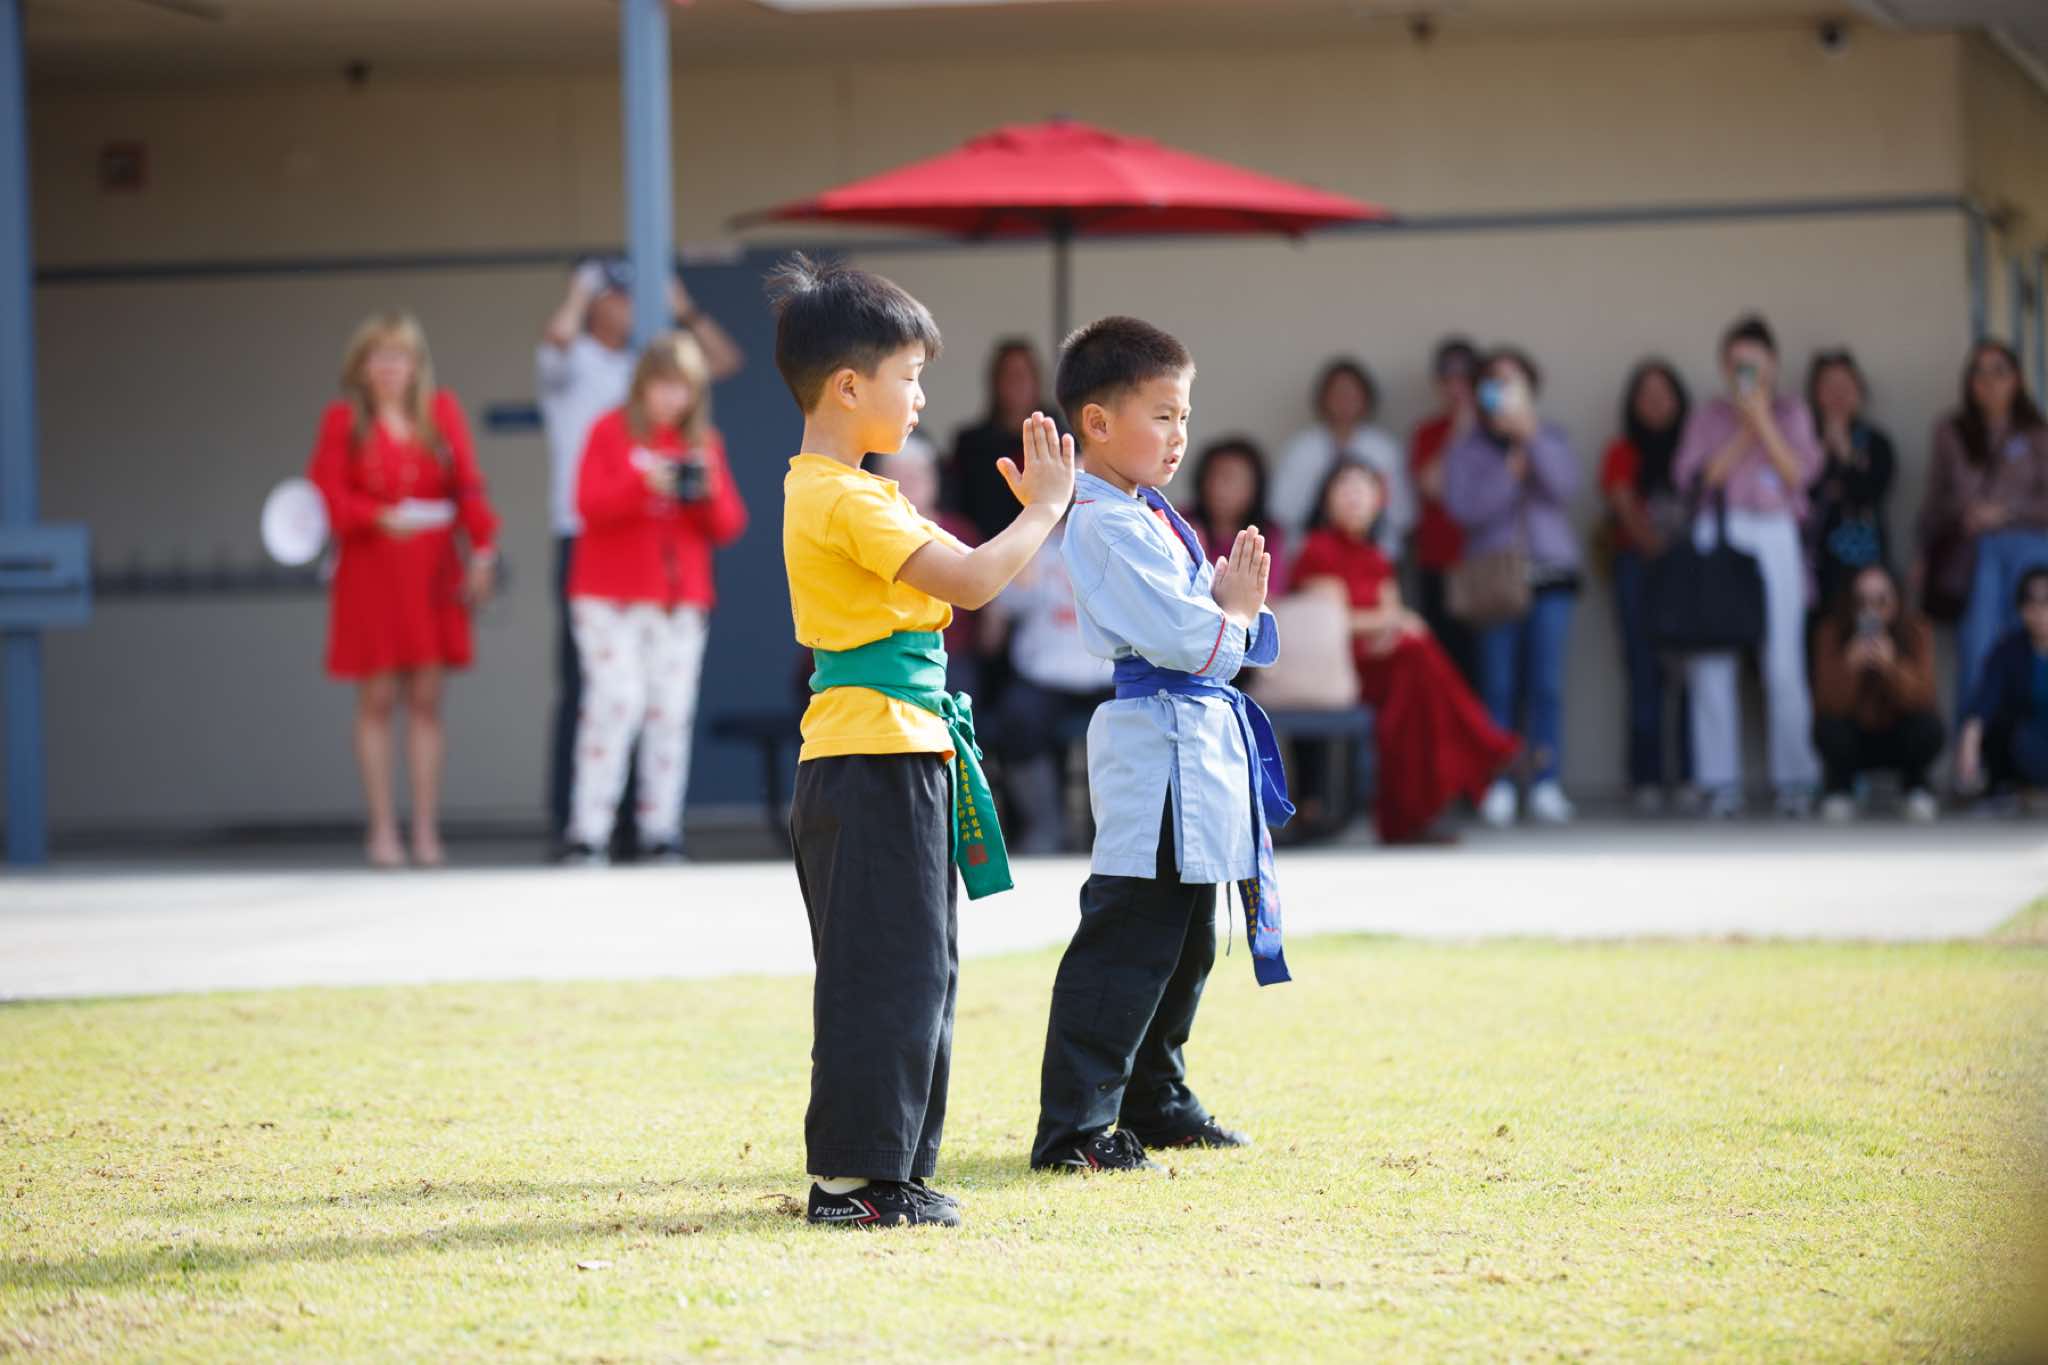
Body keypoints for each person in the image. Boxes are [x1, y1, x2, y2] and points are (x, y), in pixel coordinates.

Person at [769, 254, 1073, 1229]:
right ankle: (850, 1184)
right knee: (884, 972)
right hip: (870, 758)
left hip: (898, 751)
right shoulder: (843, 497)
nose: (920, 396)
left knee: (917, 968)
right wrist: (1044, 510)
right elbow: (975, 581)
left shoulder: (862, 491)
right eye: (908, 376)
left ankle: (890, 1173)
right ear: (847, 386)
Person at [1032, 315, 1288, 1175]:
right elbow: (1190, 637)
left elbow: (1205, 624)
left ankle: (1155, 1094)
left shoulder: (1144, 512)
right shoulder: (1102, 523)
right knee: (1130, 935)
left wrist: (1229, 611)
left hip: (1193, 738)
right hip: (1155, 744)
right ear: (1098, 423)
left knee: (1187, 935)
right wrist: (1234, 614)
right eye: (1163, 414)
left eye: (1185, 416)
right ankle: (1076, 1126)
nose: (1180, 435)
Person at [538, 258, 742, 857]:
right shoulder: (608, 430)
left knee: (669, 712)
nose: (672, 397)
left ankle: (660, 831)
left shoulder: (702, 442)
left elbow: (729, 525)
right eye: (663, 384)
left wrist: (702, 489)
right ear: (643, 384)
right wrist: (642, 482)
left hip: (679, 597)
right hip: (607, 591)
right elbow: (588, 504)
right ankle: (588, 831)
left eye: (683, 386)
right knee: (614, 703)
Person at [309, 311, 499, 869]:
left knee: (426, 700)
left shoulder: (441, 414)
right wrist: (373, 516)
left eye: (400, 356)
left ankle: (425, 829)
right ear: (361, 366)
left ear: (417, 365)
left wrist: (482, 551)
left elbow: (469, 488)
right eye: (379, 356)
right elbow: (327, 496)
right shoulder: (343, 422)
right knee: (377, 698)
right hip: (371, 571)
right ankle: (382, 829)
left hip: (432, 571)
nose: (390, 367)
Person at [1293, 461, 1518, 844]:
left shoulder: (1378, 557)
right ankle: (1481, 750)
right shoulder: (1318, 548)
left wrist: (1391, 624)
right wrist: (1391, 622)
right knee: (1415, 661)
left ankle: (1415, 813)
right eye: (1344, 486)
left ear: (1379, 502)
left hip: (1383, 664)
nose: (1354, 495)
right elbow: (1335, 623)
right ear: (1326, 499)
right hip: (1338, 667)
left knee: (1413, 692)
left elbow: (1386, 617)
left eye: (1364, 488)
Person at [1673, 314, 1825, 818]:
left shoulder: (1792, 411)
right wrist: (1742, 426)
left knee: (1783, 662)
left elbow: (1799, 475)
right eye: (1737, 364)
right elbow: (1700, 479)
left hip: (1775, 532)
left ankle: (1796, 780)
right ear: (1723, 367)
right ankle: (1719, 782)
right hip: (1720, 533)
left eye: (1755, 364)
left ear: (1773, 365)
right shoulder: (1707, 416)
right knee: (1713, 661)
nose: (1746, 373)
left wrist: (1763, 418)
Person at [1444, 347, 1581, 827]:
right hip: (1493, 578)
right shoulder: (1468, 448)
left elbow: (1565, 488)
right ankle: (1498, 782)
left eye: (1512, 380)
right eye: (1494, 381)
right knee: (1497, 685)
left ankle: (1546, 781)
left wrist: (1531, 437)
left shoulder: (1551, 435)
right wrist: (1507, 473)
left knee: (1546, 686)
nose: (1502, 390)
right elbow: (1463, 509)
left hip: (1551, 576)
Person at [1916, 340, 2048, 713]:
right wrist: (1925, 550)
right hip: (1973, 553)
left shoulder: (2037, 433)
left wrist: (2007, 512)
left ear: (2016, 379)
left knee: (2031, 645)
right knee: (1977, 648)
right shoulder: (1950, 432)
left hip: (2029, 549)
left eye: (1999, 371)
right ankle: (1973, 743)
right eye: (1979, 372)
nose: (1988, 381)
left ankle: (2030, 742)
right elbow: (1935, 499)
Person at [986, 522, 1114, 854]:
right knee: (1017, 717)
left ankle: (1117, 831)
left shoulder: (1117, 537)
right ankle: (1044, 824)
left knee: (1140, 723)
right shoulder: (1031, 541)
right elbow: (1005, 606)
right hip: (1042, 675)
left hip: (1107, 674)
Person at [1600, 359, 1692, 810]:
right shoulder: (1621, 452)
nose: (1655, 402)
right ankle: (1646, 777)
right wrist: (1655, 546)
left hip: (1690, 573)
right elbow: (1621, 504)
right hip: (1637, 568)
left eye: (1663, 393)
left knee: (1691, 674)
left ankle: (1692, 775)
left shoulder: (1692, 447)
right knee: (1643, 672)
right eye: (1645, 394)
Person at [1809, 564, 1942, 822]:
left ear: (1897, 601)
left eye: (1881, 601)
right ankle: (1840, 789)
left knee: (1928, 726)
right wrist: (1849, 667)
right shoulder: (1831, 631)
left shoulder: (1916, 629)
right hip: (1853, 737)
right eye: (1861, 602)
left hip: (1899, 736)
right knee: (1827, 726)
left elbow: (1924, 698)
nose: (1871, 610)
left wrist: (1892, 667)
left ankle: (1916, 787)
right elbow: (1825, 703)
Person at [873, 437, 986, 699]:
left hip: (950, 657)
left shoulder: (960, 532)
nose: (909, 483)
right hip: (884, 657)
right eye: (899, 475)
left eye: (918, 474)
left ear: (934, 479)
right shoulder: (869, 530)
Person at [1271, 357, 1413, 556]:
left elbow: (1403, 515)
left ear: (1366, 399)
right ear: (1323, 398)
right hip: (1310, 553)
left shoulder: (1384, 448)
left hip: (1376, 552)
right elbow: (1282, 510)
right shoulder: (1302, 448)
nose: (1345, 401)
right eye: (1338, 393)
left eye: (1352, 394)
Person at [1408, 337, 1481, 682]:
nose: (1457, 386)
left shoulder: (1497, 430)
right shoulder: (1429, 432)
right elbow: (1432, 487)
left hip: (1490, 564)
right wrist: (1459, 432)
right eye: (1448, 377)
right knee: (1446, 667)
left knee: (1491, 671)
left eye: (1466, 377)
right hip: (1439, 560)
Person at [1805, 349, 1897, 618]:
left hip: (1864, 563)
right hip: (1814, 563)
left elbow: (1870, 493)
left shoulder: (1876, 443)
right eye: (1829, 385)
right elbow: (1800, 494)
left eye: (1846, 384)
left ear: (1859, 390)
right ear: (1816, 393)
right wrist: (1822, 452)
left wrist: (1846, 453)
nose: (1838, 393)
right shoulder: (1803, 439)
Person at [946, 338, 1054, 545]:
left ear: (1037, 380)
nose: (1017, 384)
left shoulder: (1058, 438)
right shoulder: (971, 444)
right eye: (1009, 375)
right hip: (983, 546)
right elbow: (959, 505)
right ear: (995, 382)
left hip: (1047, 548)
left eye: (1023, 375)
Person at [1955, 566, 2048, 798]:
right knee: (1999, 729)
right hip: (2025, 744)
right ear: (2021, 609)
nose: (2040, 611)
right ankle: (2013, 787)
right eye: (2032, 602)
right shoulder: (2009, 650)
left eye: (2047, 601)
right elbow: (1986, 697)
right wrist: (1970, 739)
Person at [1182, 435, 1290, 596]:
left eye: (1230, 480)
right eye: (1213, 477)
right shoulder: (1182, 522)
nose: (1219, 488)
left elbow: (1270, 595)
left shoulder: (1268, 534)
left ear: (1255, 487)